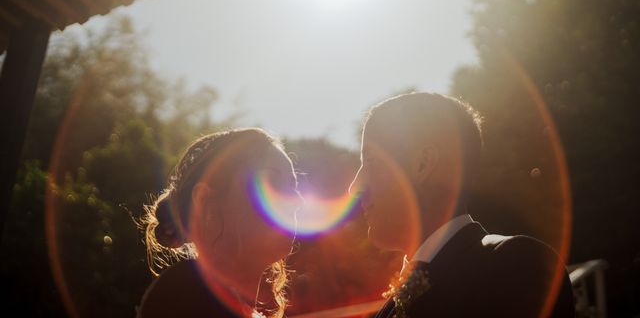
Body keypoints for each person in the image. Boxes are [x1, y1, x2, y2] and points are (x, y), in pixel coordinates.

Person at [350, 92, 575, 317]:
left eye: (371, 161)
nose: (354, 187)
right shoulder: (388, 308)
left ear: (422, 165)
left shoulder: (515, 266)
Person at [138, 128, 302, 318]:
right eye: (272, 182)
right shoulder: (183, 293)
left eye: (293, 185)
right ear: (207, 204)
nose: (297, 201)